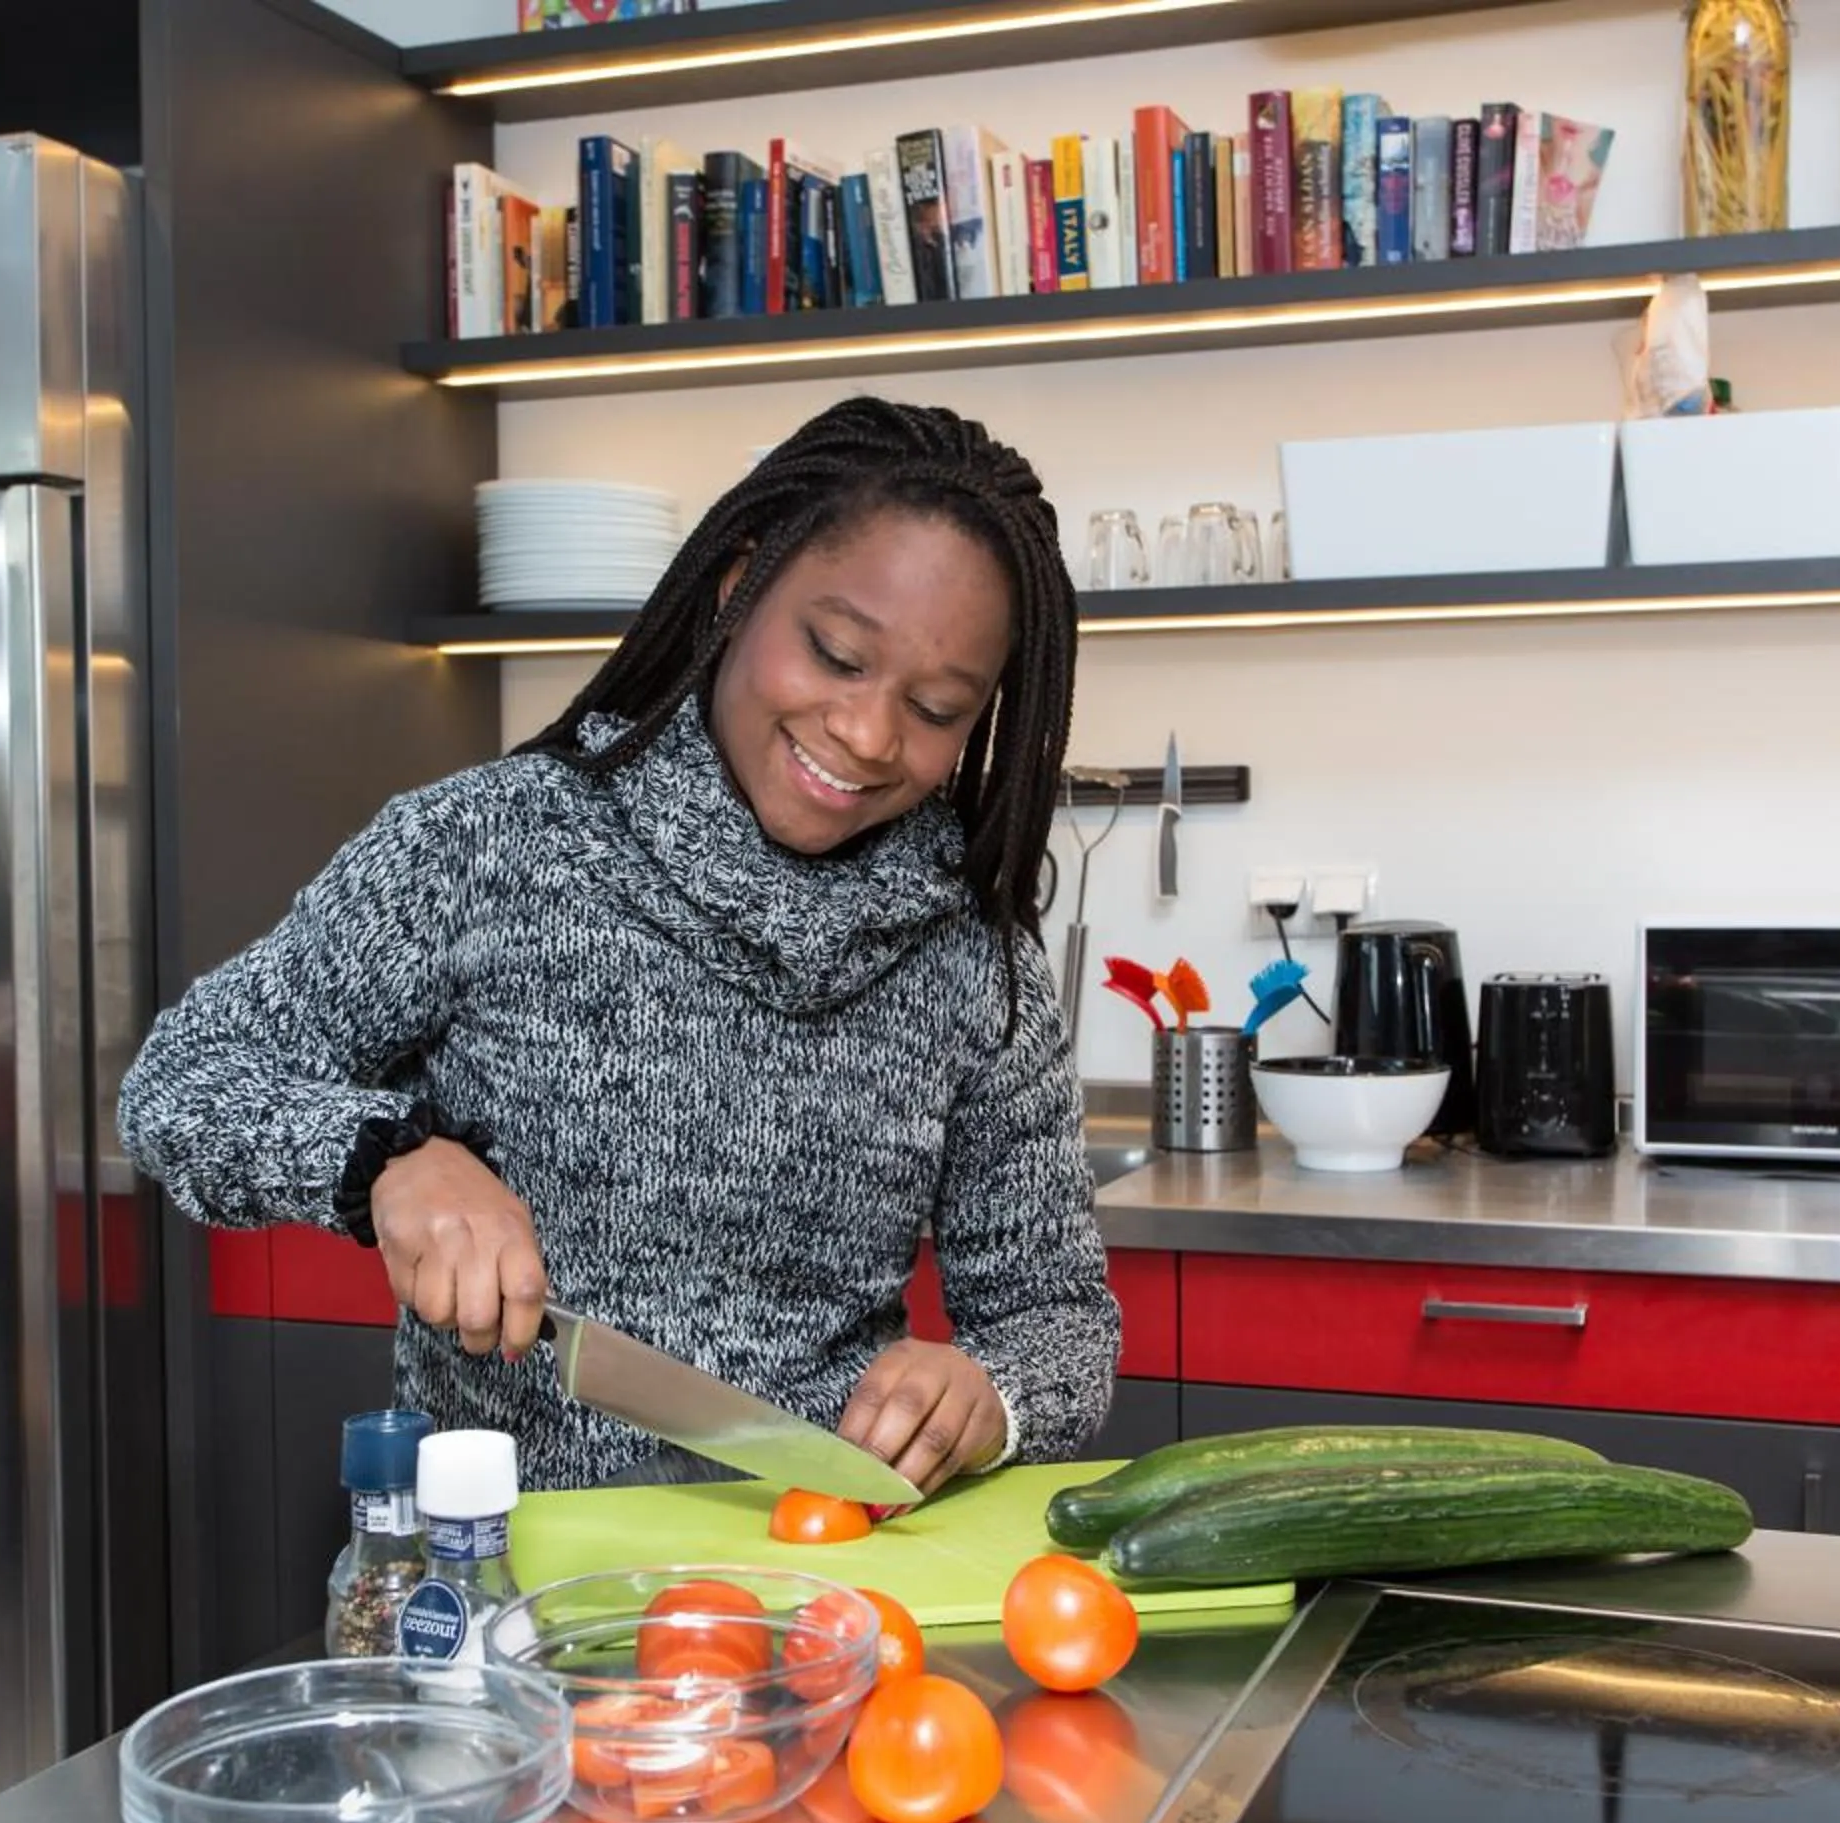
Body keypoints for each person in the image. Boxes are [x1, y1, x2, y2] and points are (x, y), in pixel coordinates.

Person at [119, 396, 1120, 1495]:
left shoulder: (970, 954)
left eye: (935, 708)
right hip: (503, 1590)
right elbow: (182, 1083)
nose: (870, 733)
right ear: (739, 588)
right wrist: (386, 1158)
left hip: (819, 1598)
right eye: (836, 654)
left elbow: (1055, 1318)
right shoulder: (489, 846)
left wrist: (993, 1392)